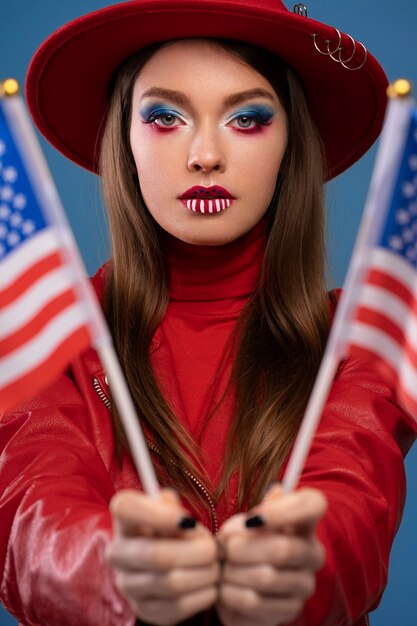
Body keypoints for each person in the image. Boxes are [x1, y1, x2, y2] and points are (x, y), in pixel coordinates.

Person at [0, 1, 416, 625]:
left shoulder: (362, 341)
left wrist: (306, 562)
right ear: (125, 139)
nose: (204, 155)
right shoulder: (49, 332)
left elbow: (354, 502)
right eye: (164, 116)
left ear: (289, 144)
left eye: (247, 118)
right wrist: (113, 568)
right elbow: (31, 522)